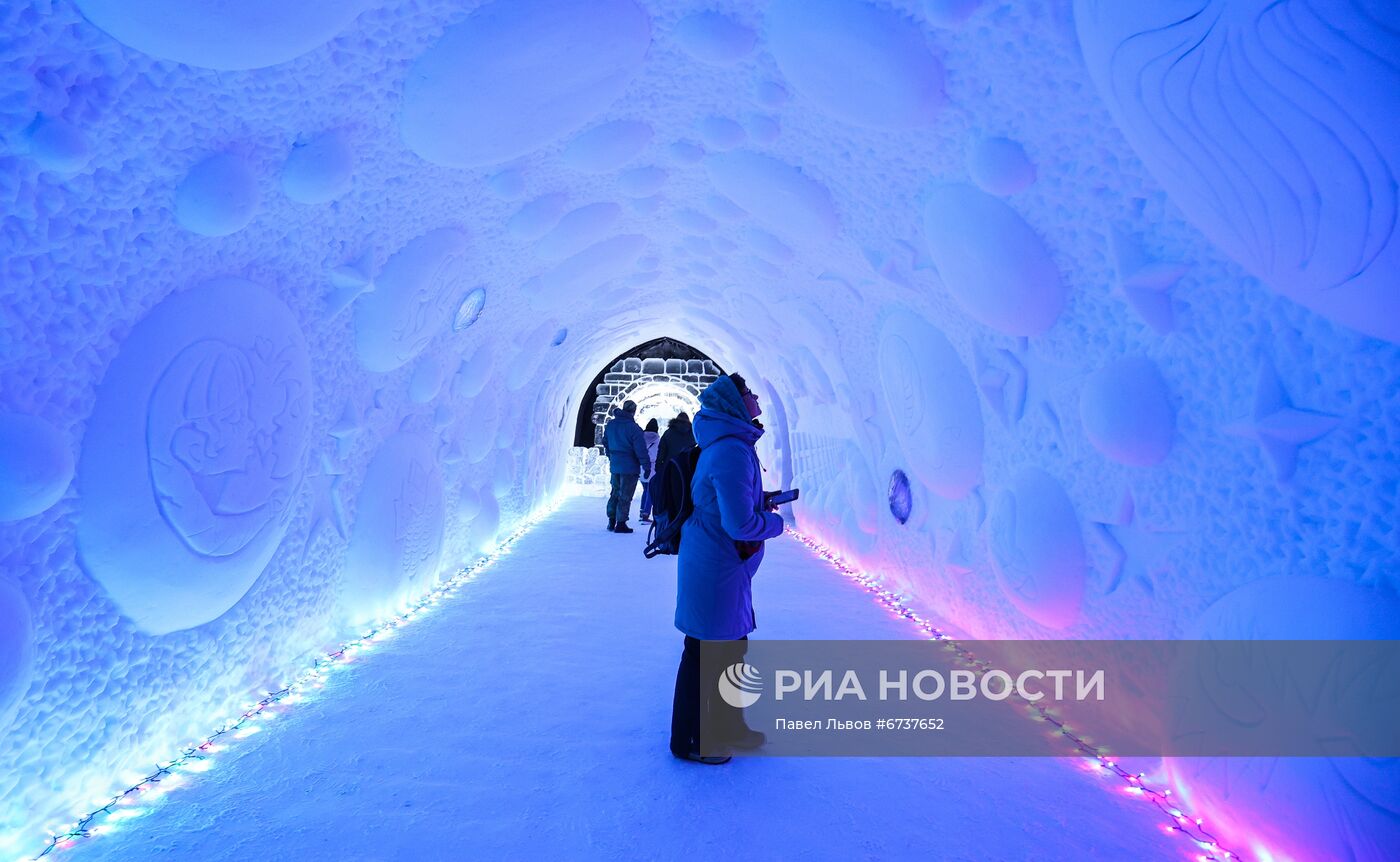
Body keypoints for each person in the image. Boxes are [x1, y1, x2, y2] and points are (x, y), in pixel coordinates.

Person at [670, 374, 784, 764]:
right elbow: (740, 524)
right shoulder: (732, 451)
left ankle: (730, 726)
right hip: (716, 565)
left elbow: (730, 503)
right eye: (748, 393)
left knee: (731, 649)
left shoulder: (731, 445)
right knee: (707, 653)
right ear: (734, 404)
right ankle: (691, 740)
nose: (754, 397)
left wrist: (759, 499)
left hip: (721, 564)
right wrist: (776, 523)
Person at [603, 400, 650, 533]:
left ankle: (611, 521)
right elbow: (641, 449)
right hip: (630, 466)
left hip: (615, 464)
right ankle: (621, 523)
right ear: (633, 411)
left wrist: (611, 456)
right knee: (625, 495)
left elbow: (605, 441)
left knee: (615, 492)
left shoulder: (611, 424)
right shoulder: (634, 428)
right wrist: (646, 466)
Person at [639, 418, 661, 523]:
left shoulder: (640, 437)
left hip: (642, 467)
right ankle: (645, 515)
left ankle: (642, 511)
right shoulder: (657, 439)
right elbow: (657, 454)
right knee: (651, 492)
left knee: (645, 490)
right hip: (652, 468)